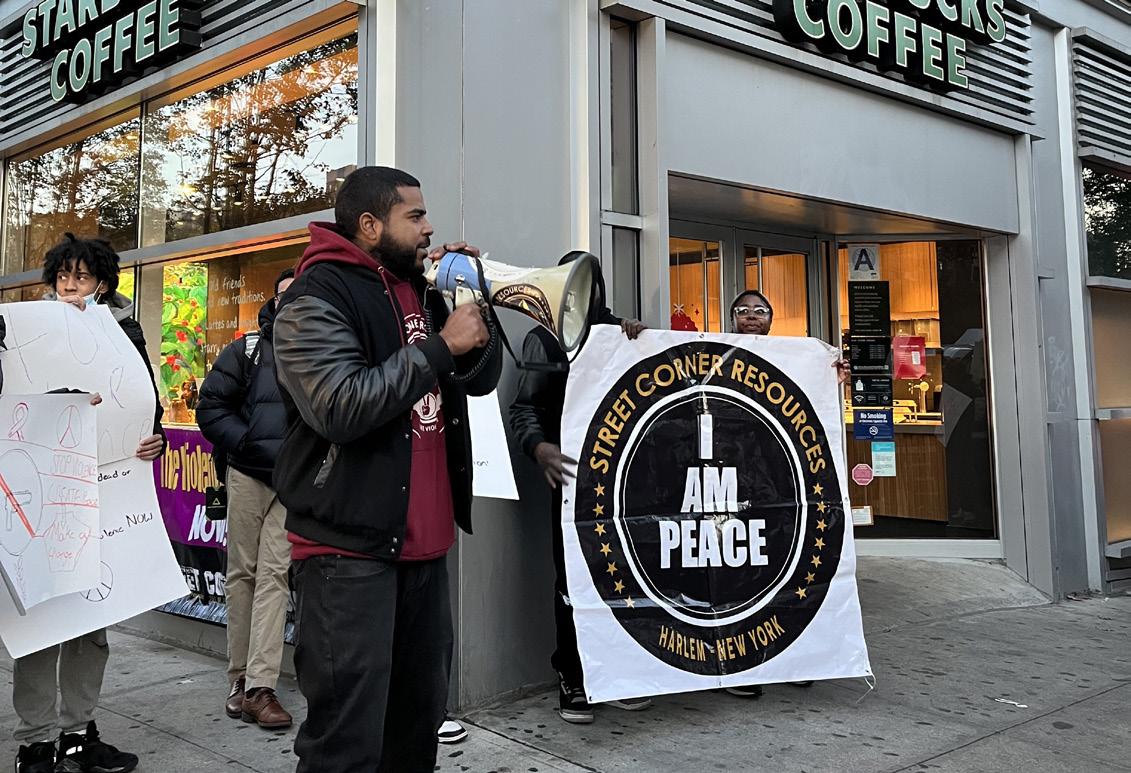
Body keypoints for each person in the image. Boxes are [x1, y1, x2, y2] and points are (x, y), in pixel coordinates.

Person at [272, 166, 502, 772]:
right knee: (346, 742)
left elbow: (479, 382)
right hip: (347, 554)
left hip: (424, 550)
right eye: (415, 216)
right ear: (371, 225)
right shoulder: (315, 296)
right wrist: (441, 347)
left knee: (413, 732)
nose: (429, 228)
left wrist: (471, 305)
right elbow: (339, 406)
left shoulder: (421, 290)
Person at [14, 234, 166, 773]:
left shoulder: (125, 330)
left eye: (81, 276)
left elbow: (145, 401)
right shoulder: (22, 331)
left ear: (102, 283)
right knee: (40, 623)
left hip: (105, 491)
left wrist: (154, 437)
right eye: (63, 276)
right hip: (41, 494)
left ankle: (78, 733)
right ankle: (34, 742)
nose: (70, 286)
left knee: (90, 622)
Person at [508, 254, 649, 724]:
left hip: (622, 481)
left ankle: (616, 672)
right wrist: (538, 446)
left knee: (623, 574)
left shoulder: (618, 333)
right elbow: (523, 407)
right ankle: (572, 673)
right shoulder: (544, 337)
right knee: (574, 580)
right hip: (572, 480)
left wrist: (639, 342)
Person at [724, 288, 847, 699]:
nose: (751, 316)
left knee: (788, 566)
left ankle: (789, 657)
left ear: (771, 319)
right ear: (732, 318)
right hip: (735, 481)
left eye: (759, 310)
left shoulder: (793, 358)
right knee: (739, 568)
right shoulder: (716, 356)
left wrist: (832, 379)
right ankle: (740, 663)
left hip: (784, 481)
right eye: (743, 310)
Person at [196, 268, 296, 731]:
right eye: (284, 292)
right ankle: (238, 676)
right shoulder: (247, 350)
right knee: (242, 575)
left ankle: (260, 687)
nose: (292, 299)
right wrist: (246, 442)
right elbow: (210, 407)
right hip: (247, 476)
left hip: (292, 482)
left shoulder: (321, 348)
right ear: (272, 300)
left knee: (275, 576)